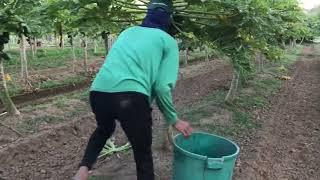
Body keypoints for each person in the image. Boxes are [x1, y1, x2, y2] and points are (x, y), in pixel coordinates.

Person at [74, 1, 193, 180]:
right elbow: (161, 87)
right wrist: (174, 120)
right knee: (142, 155)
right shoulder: (168, 41)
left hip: (98, 92)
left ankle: (82, 171)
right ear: (169, 19)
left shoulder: (128, 32)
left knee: (104, 129)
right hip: (130, 98)